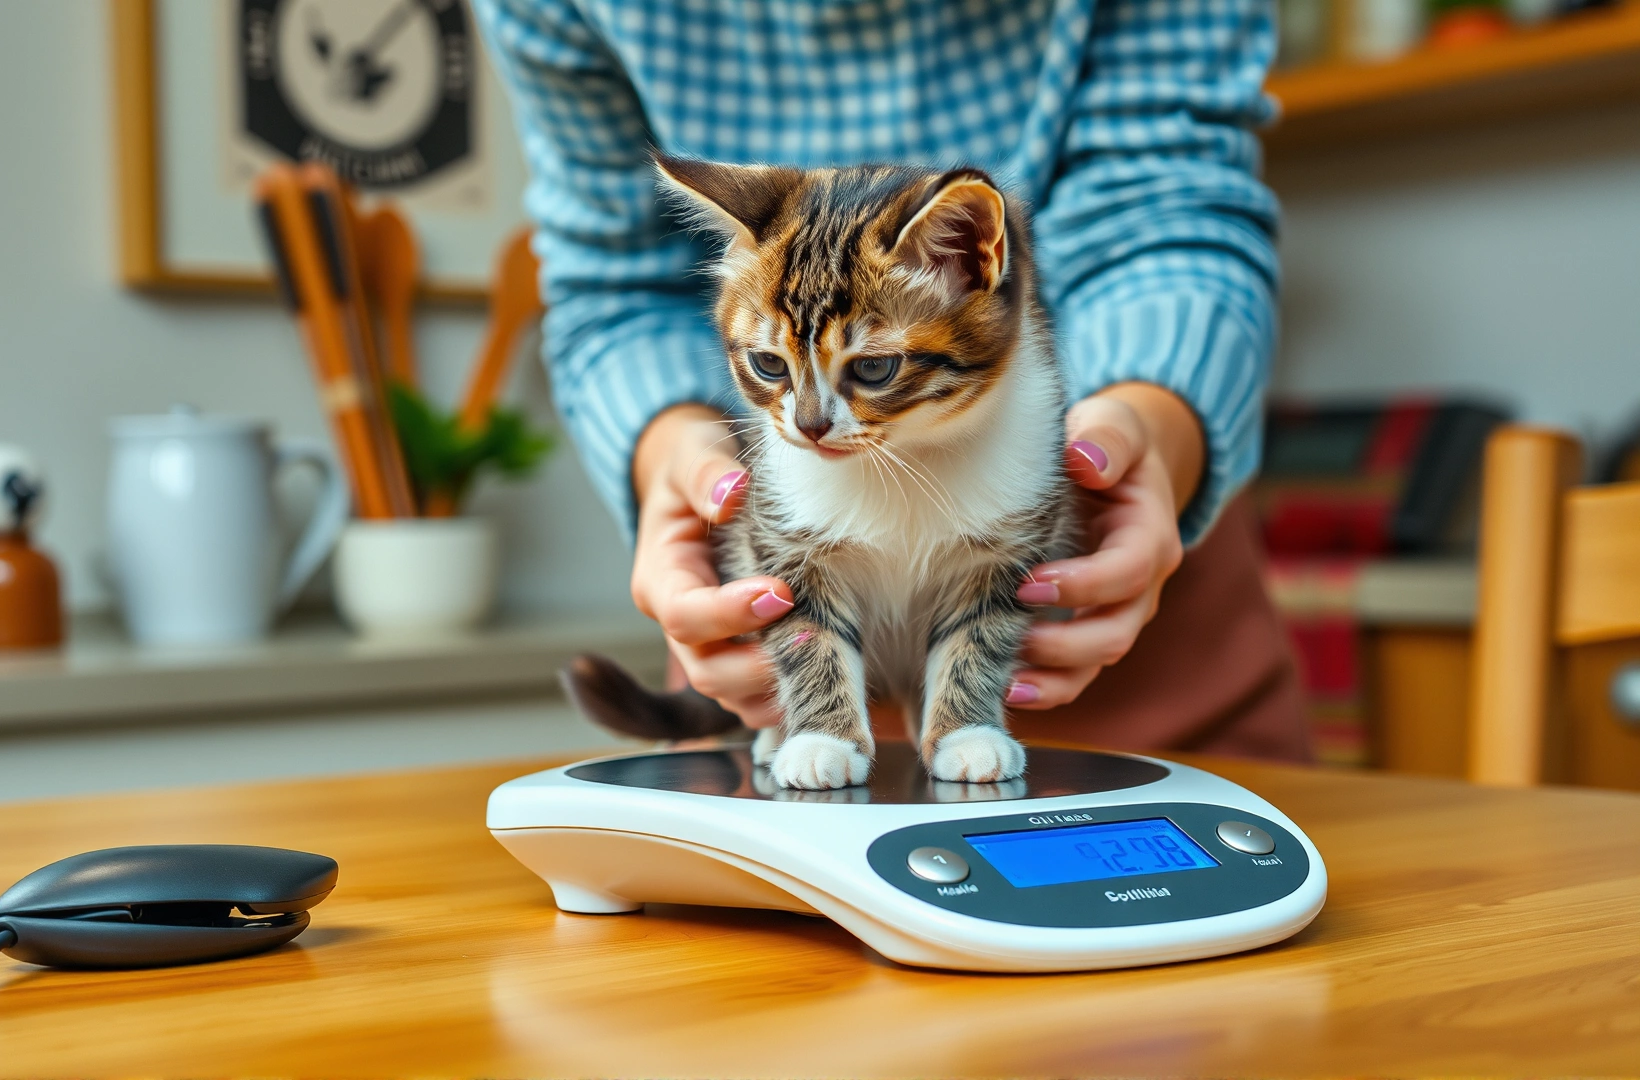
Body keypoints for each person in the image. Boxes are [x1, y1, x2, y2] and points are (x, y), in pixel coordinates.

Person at [475, 0, 1309, 762]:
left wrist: (1151, 427)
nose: (807, 423)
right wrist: (674, 458)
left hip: (1132, 591)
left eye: (871, 367)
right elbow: (613, 283)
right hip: (783, 681)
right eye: (770, 368)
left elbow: (1170, 206)